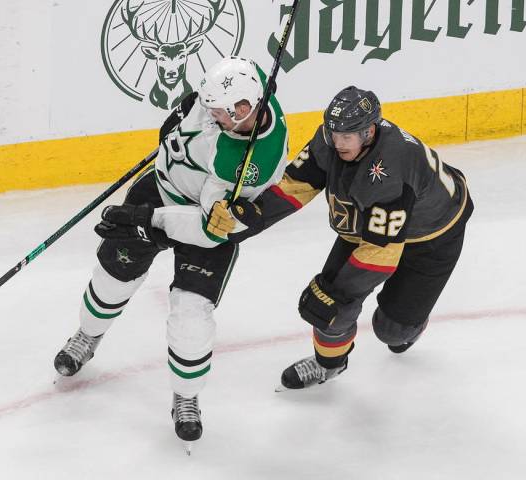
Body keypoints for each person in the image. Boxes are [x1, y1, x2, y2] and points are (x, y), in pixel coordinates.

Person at [53, 56, 289, 445]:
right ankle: (87, 335)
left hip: (201, 226)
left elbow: (208, 229)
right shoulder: (249, 83)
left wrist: (151, 224)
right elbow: (207, 99)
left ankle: (186, 395)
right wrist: (184, 113)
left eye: (217, 114)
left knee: (191, 316)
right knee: (113, 276)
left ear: (243, 111)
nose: (209, 116)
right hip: (161, 185)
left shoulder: (248, 167)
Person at [208, 85, 473, 389]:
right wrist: (251, 217)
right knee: (333, 309)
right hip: (369, 224)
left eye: (347, 136)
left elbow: (379, 252)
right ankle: (328, 365)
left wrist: (339, 293)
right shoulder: (329, 139)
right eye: (334, 134)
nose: (338, 143)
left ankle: (411, 323)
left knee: (390, 332)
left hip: (433, 236)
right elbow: (297, 184)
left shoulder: (390, 169)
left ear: (369, 132)